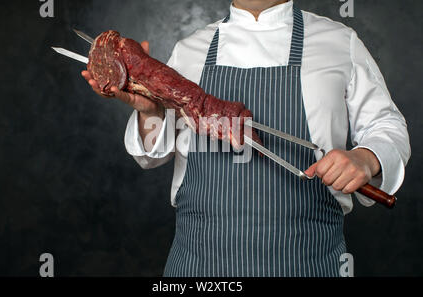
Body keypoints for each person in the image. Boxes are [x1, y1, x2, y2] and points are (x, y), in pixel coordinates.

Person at [81, 0, 410, 277]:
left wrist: (367, 158)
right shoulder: (190, 49)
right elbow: (151, 155)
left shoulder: (338, 41)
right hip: (199, 268)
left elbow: (386, 123)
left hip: (309, 264)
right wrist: (149, 112)